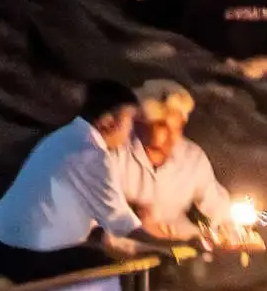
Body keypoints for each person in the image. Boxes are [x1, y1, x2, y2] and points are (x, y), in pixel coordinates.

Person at [0, 79, 150, 282]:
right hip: (29, 254)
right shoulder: (90, 153)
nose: (130, 132)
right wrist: (178, 244)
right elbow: (123, 224)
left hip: (12, 243)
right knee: (118, 276)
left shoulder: (69, 137)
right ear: (108, 122)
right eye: (129, 122)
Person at [110, 80, 257, 248]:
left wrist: (230, 225)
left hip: (179, 247)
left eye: (177, 126)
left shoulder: (192, 158)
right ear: (141, 123)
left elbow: (215, 202)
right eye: (162, 126)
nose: (171, 136)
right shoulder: (115, 154)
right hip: (126, 249)